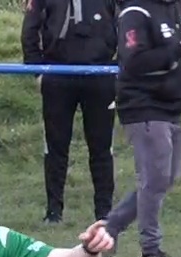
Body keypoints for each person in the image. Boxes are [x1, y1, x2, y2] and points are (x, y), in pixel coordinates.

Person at [100, 0, 181, 257]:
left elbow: (179, 56)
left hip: (172, 107)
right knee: (155, 179)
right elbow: (133, 61)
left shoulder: (179, 7)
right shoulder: (136, 12)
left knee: (165, 179)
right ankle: (150, 250)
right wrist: (178, 48)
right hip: (144, 106)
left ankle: (108, 230)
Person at [22, 0, 118, 227]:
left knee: (102, 148)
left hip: (100, 75)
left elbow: (129, 23)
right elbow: (29, 29)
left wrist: (118, 67)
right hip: (57, 74)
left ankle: (104, 214)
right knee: (55, 147)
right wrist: (37, 69)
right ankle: (53, 212)